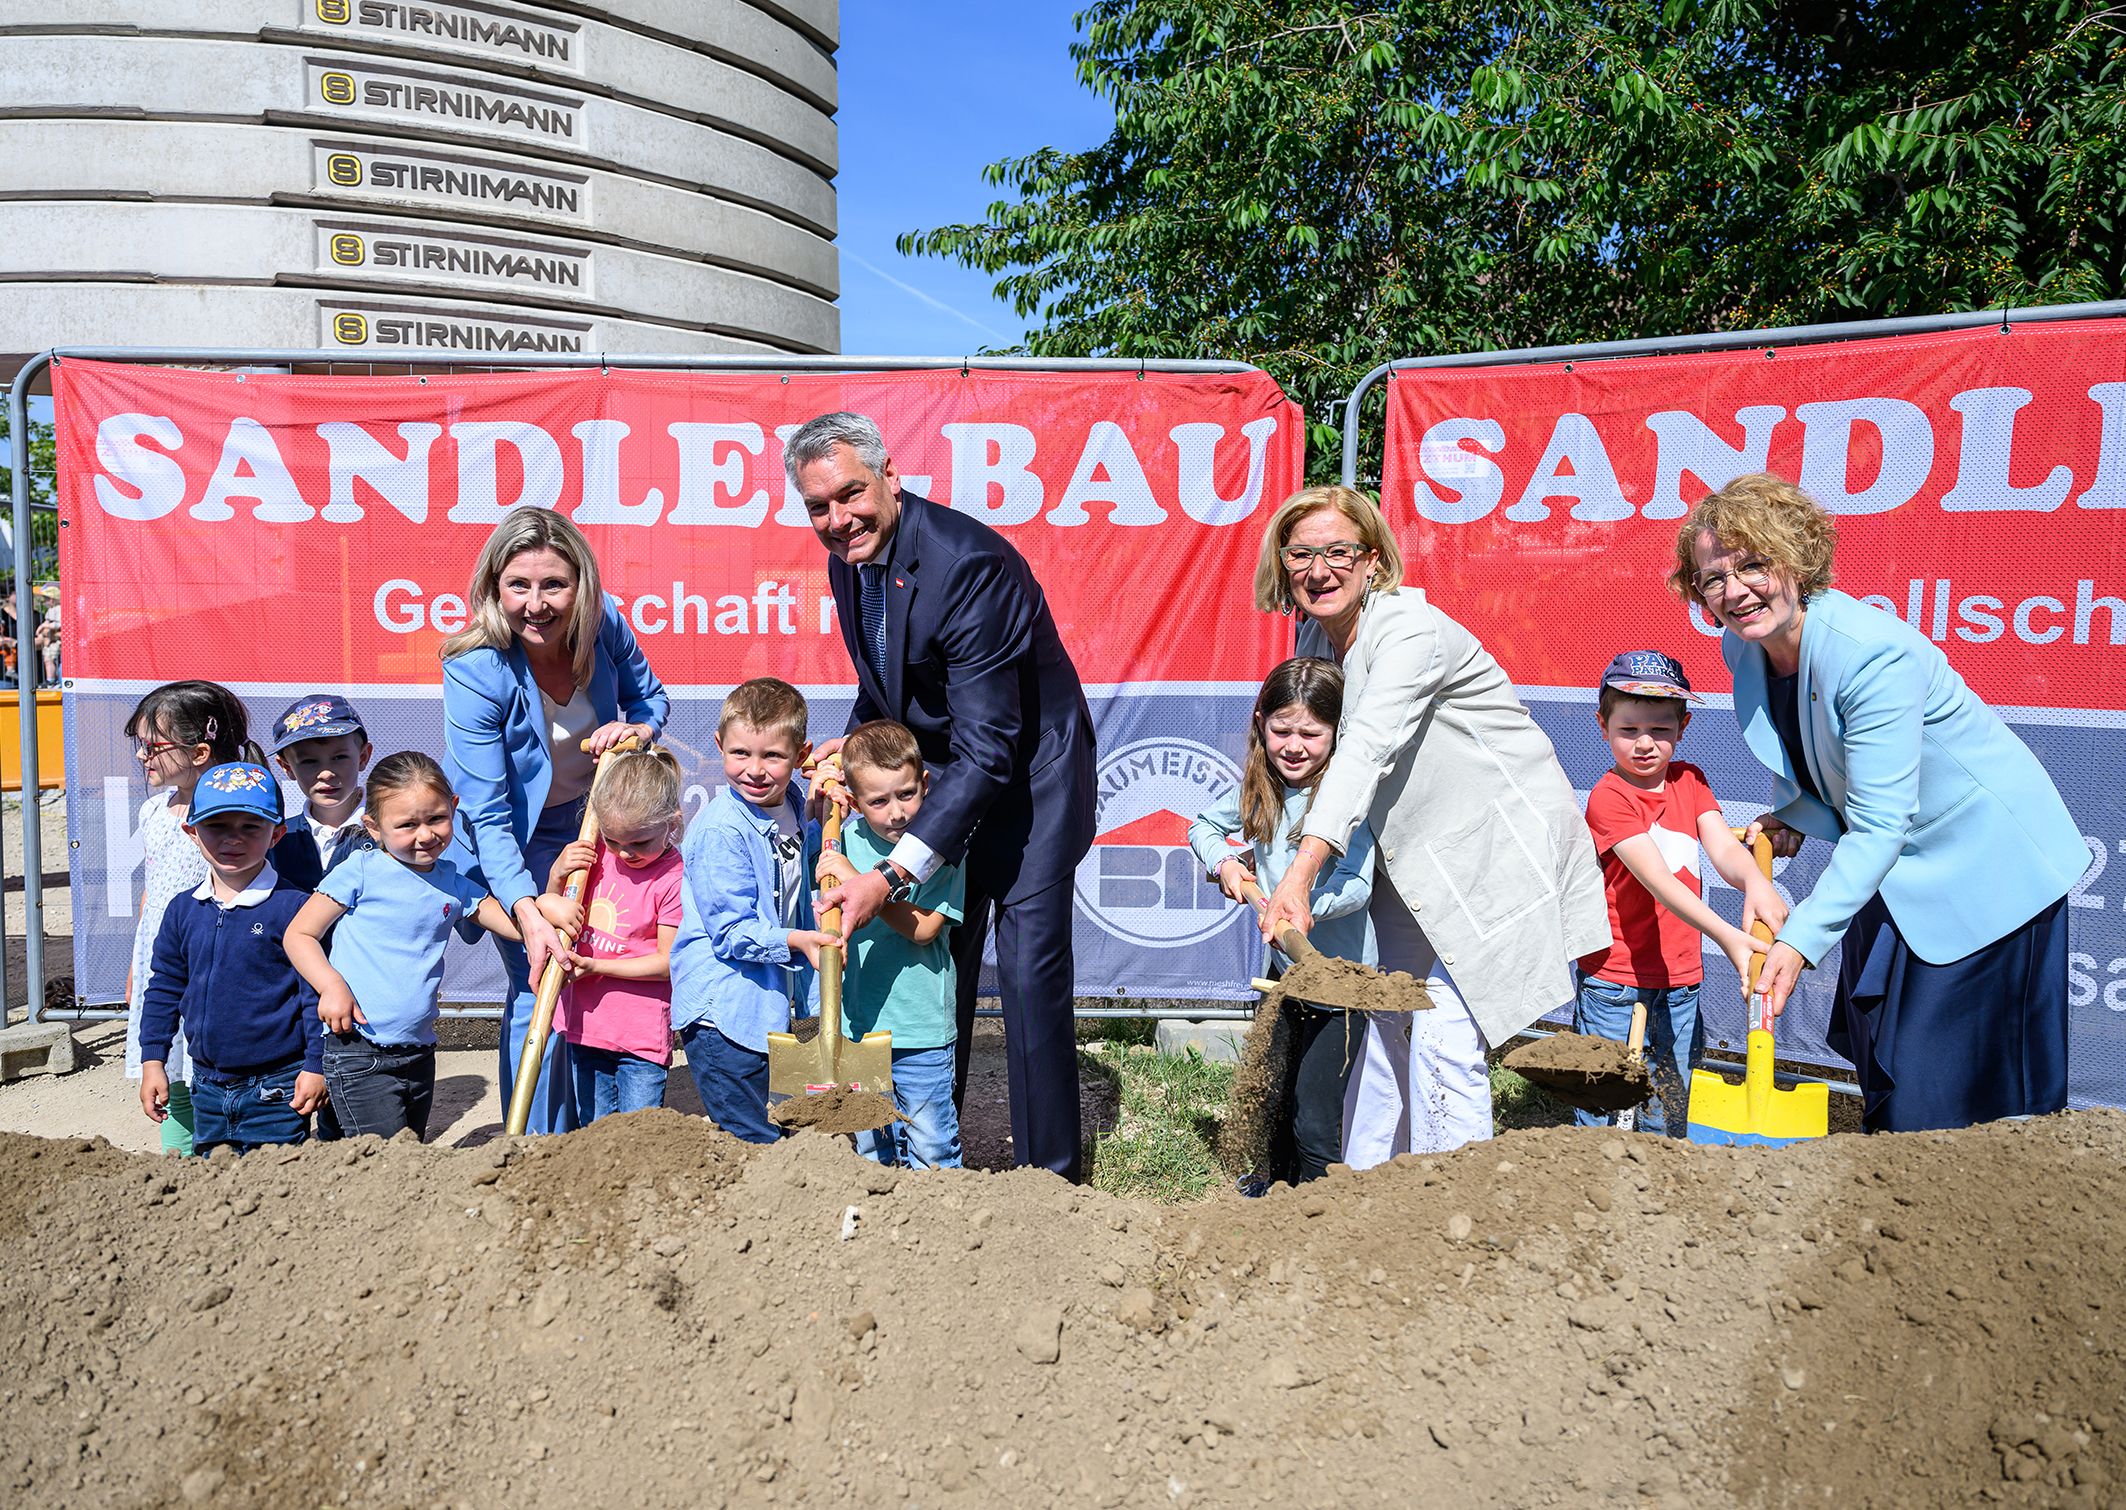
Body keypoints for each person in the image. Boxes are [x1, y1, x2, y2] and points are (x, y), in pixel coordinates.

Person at [1674, 473, 2088, 1131]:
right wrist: (1797, 815)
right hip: (1898, 872)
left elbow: (1880, 822)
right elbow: (1818, 752)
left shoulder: (1872, 656)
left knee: (1960, 1097)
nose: (1735, 591)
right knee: (1887, 1062)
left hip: (1986, 872)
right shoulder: (1746, 646)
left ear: (1796, 560)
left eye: (1753, 565)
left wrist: (1801, 940)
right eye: (1713, 579)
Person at [1255, 485, 1610, 1157]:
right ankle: (1369, 1193)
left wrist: (1300, 874)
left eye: (1337, 551)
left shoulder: (1408, 631)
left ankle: (1456, 1208)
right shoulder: (1319, 636)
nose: (1318, 570)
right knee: (1391, 1017)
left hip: (1492, 850)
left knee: (1444, 1031)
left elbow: (1365, 750)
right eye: (1301, 553)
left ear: (1371, 560)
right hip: (1415, 857)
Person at [789, 411, 1098, 1182]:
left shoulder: (969, 564)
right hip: (945, 781)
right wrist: (853, 744)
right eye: (818, 507)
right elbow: (895, 686)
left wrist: (894, 873)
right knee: (933, 973)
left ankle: (1048, 1184)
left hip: (1030, 786)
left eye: (851, 494)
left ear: (891, 477)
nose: (838, 520)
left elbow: (990, 748)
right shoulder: (847, 562)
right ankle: (927, 1170)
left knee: (1026, 982)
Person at [441, 507, 668, 1135]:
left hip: (590, 826)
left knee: (586, 968)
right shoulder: (474, 670)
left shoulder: (604, 624)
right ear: (493, 588)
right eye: (519, 586)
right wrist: (527, 909)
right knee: (537, 973)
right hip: (509, 840)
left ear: (582, 586)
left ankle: (589, 1130)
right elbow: (486, 814)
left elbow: (651, 699)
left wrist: (638, 729)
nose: (536, 604)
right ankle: (535, 1141)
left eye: (553, 585)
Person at [285, 752, 558, 1141]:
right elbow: (300, 934)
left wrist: (548, 900)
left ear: (454, 809)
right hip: (358, 1048)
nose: (425, 835)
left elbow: (516, 926)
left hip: (419, 1051)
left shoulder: (453, 881)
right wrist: (330, 986)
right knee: (384, 1162)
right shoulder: (360, 871)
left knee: (400, 1151)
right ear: (374, 828)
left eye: (436, 819)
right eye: (407, 825)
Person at [1573, 651, 1786, 1137]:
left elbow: (1723, 849)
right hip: (1616, 980)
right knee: (1605, 1102)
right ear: (1603, 725)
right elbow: (1661, 885)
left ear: (1683, 727)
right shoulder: (1610, 797)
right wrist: (1730, 937)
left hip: (1681, 979)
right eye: (1629, 730)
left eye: (1661, 730)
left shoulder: (1690, 781)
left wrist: (1754, 880)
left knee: (1670, 1101)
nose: (1645, 743)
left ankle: (1656, 1189)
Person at [1188, 657, 1376, 1184]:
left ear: (1338, 734)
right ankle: (1274, 1190)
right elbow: (1202, 825)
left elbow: (1359, 885)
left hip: (1341, 985)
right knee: (1275, 1093)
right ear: (1260, 725)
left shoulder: (1344, 799)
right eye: (1281, 730)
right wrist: (1225, 862)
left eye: (1311, 733)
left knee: (1316, 1120)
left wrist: (1303, 905)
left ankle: (1318, 1206)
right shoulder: (1262, 787)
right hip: (1283, 976)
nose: (1294, 746)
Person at [669, 678, 837, 1144]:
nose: (755, 770)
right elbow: (731, 932)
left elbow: (796, 865)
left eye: (773, 756)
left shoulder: (788, 809)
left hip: (762, 1006)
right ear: (719, 744)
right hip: (722, 1012)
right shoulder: (722, 830)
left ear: (800, 755)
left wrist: (820, 812)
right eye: (741, 754)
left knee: (776, 1124)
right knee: (750, 1134)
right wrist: (796, 940)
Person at [138, 761, 325, 1154]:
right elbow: (164, 987)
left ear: (276, 834)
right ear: (192, 832)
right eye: (218, 826)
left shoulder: (296, 908)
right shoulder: (181, 910)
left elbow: (314, 995)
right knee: (217, 1188)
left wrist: (315, 1065)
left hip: (278, 1085)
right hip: (205, 1085)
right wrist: (153, 1059)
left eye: (250, 827)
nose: (233, 839)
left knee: (275, 1185)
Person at [814, 719, 968, 1171]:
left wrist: (865, 887)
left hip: (920, 1030)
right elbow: (826, 914)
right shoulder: (841, 841)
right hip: (858, 1025)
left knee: (932, 1143)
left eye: (906, 794)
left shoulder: (938, 846)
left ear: (925, 782)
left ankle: (940, 1229)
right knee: (870, 1149)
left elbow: (924, 929)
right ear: (856, 801)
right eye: (878, 801)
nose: (896, 812)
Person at [122, 680, 262, 1157]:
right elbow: (152, 892)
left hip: (211, 959)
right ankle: (180, 1164)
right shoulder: (153, 811)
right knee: (170, 1072)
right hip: (164, 963)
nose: (144, 757)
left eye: (152, 746)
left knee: (212, 1064)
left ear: (200, 751)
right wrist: (136, 966)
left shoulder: (236, 813)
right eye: (140, 746)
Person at [543, 748, 685, 1123]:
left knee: (639, 1135)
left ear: (672, 823)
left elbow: (667, 962)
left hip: (640, 1037)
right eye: (614, 839)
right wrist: (557, 876)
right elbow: (554, 916)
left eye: (639, 843)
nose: (624, 853)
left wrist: (595, 965)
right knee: (595, 1133)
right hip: (586, 1024)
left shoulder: (673, 877)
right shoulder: (592, 855)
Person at [266, 693, 377, 889]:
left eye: (339, 758)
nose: (326, 774)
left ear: (363, 757)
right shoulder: (275, 841)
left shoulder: (393, 831)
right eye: (309, 761)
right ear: (287, 767)